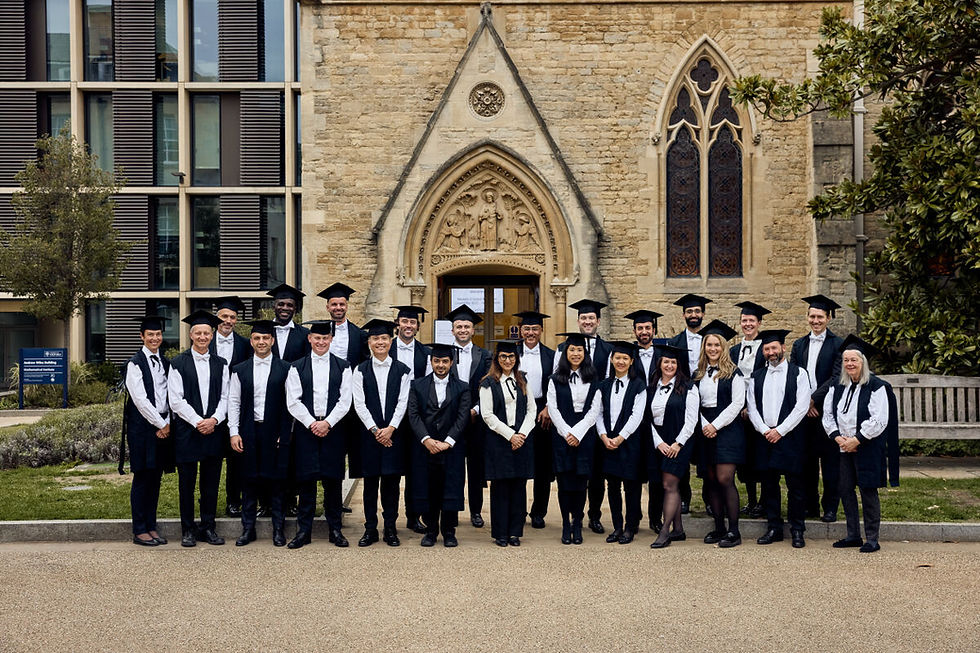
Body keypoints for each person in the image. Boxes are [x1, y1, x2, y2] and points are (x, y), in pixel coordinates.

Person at [822, 335, 900, 553]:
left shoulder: (877, 386)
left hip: (867, 446)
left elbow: (879, 419)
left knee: (867, 490)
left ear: (863, 362)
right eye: (846, 360)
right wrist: (838, 438)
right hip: (843, 446)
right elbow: (828, 415)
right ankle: (853, 535)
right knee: (845, 489)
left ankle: (872, 538)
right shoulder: (838, 387)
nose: (849, 364)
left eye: (853, 360)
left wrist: (857, 439)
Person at [285, 320, 353, 549]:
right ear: (310, 339)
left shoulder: (343, 366)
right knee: (306, 483)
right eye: (317, 338)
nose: (321, 342)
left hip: (334, 430)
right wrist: (312, 423)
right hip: (307, 430)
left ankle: (335, 529)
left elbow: (345, 401)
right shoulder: (297, 366)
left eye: (325, 338)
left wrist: (328, 423)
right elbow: (292, 401)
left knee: (333, 482)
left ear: (331, 339)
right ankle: (304, 531)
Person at [227, 320, 292, 547]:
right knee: (249, 480)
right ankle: (248, 529)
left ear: (272, 341)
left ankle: (278, 529)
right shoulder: (239, 369)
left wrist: (284, 433)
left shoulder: (286, 369)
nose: (261, 342)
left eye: (265, 338)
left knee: (277, 482)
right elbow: (233, 403)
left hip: (274, 431)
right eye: (257, 338)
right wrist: (234, 432)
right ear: (252, 341)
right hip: (248, 430)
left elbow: (290, 405)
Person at [168, 310, 229, 547]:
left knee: (211, 483)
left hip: (213, 430)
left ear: (212, 336)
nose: (203, 337)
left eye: (206, 333)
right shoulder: (177, 363)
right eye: (198, 333)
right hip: (188, 432)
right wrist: (198, 421)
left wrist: (213, 420)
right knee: (187, 484)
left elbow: (226, 396)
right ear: (191, 335)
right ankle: (188, 530)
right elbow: (176, 400)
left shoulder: (221, 364)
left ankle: (208, 527)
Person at [746, 329, 811, 548]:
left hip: (790, 436)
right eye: (766, 349)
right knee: (769, 485)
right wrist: (765, 430)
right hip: (765, 437)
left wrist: (780, 430)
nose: (771, 352)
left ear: (783, 348)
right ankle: (774, 527)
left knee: (796, 486)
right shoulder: (756, 377)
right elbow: (752, 408)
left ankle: (797, 529)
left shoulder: (799, 373)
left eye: (774, 348)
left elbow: (801, 406)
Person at [351, 319, 412, 547]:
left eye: (384, 338)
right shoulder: (360, 370)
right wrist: (376, 430)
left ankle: (390, 528)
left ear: (390, 341)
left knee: (391, 485)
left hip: (393, 436)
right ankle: (370, 529)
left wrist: (391, 429)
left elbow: (402, 402)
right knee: (369, 485)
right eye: (375, 338)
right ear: (369, 342)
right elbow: (359, 403)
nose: (380, 342)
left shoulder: (403, 371)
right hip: (369, 436)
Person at [407, 343, 471, 547]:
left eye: (445, 361)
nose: (441, 365)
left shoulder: (462, 387)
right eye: (437, 361)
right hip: (426, 447)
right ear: (431, 362)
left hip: (452, 447)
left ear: (451, 363)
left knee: (451, 487)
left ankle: (449, 531)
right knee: (429, 488)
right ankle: (431, 530)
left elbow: (463, 417)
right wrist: (426, 439)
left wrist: (448, 441)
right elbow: (414, 415)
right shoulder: (418, 385)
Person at [555, 298, 611, 534]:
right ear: (578, 321)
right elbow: (555, 387)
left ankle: (594, 515)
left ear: (598, 321)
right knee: (568, 473)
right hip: (567, 418)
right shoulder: (562, 350)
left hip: (595, 418)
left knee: (596, 473)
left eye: (591, 318)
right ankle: (570, 520)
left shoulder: (608, 350)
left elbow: (607, 384)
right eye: (583, 318)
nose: (587, 321)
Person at [791, 294, 845, 523]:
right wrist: (805, 403)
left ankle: (830, 507)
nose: (816, 320)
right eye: (812, 316)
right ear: (807, 317)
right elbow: (793, 376)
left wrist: (814, 400)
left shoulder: (838, 344)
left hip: (827, 411)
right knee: (807, 462)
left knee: (831, 463)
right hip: (805, 413)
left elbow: (836, 377)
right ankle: (809, 506)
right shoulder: (799, 344)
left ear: (828, 318)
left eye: (820, 317)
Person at [121, 315, 174, 547]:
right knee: (142, 477)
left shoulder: (164, 361)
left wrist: (168, 421)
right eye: (150, 335)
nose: (155, 338)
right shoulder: (134, 364)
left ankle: (151, 526)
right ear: (142, 336)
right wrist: (160, 424)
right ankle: (139, 529)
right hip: (144, 428)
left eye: (158, 334)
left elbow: (169, 394)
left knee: (155, 479)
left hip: (163, 424)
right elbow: (140, 400)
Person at [546, 333, 602, 545]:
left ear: (585, 353)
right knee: (564, 482)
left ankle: (577, 522)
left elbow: (594, 410)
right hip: (562, 435)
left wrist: (577, 433)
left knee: (581, 483)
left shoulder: (594, 379)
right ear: (565, 353)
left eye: (579, 350)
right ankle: (565, 523)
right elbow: (553, 408)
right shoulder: (554, 379)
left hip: (585, 436)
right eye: (572, 350)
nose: (576, 354)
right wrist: (566, 432)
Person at [694, 320, 746, 548]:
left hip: (728, 429)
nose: (712, 349)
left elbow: (737, 404)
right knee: (711, 481)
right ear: (704, 347)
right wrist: (706, 425)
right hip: (705, 429)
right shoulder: (699, 374)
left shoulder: (734, 373)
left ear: (723, 347)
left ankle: (734, 531)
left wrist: (716, 425)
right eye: (709, 345)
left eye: (716, 345)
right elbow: (695, 404)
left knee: (725, 479)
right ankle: (718, 528)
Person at [319, 282, 368, 518]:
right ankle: (330, 501)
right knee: (328, 452)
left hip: (349, 403)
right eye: (334, 304)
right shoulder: (318, 335)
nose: (338, 307)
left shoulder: (359, 335)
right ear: (328, 307)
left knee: (345, 452)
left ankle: (337, 501)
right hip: (322, 403)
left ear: (347, 306)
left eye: (342, 304)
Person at [480, 340, 536, 547]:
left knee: (519, 488)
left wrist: (520, 434)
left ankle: (515, 533)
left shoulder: (522, 380)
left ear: (516, 359)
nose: (508, 360)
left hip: (521, 441)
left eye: (511, 357)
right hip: (499, 442)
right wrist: (510, 435)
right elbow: (487, 415)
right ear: (497, 359)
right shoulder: (488, 383)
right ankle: (500, 533)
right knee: (500, 488)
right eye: (503, 357)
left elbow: (532, 409)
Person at [444, 304, 492, 528]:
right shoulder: (442, 355)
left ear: (474, 331)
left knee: (475, 468)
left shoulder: (485, 356)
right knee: (452, 467)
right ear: (452, 330)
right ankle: (451, 510)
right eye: (458, 326)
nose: (463, 330)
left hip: (475, 419)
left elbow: (489, 387)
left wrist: (477, 410)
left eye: (467, 326)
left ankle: (475, 511)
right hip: (450, 420)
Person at [648, 344, 700, 549]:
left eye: (673, 362)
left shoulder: (689, 388)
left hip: (680, 441)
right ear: (660, 363)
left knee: (670, 484)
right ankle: (678, 529)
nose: (669, 365)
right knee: (668, 485)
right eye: (666, 361)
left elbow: (691, 420)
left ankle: (665, 531)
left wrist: (678, 443)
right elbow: (647, 419)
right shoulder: (651, 387)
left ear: (679, 365)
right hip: (658, 441)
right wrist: (658, 442)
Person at [596, 341, 647, 544]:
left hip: (630, 442)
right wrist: (603, 436)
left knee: (631, 486)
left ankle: (630, 527)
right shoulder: (603, 385)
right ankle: (617, 526)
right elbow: (598, 413)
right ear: (611, 359)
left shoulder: (639, 386)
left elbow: (637, 415)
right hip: (607, 442)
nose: (621, 361)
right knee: (613, 486)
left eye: (625, 358)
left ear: (631, 361)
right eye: (617, 357)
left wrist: (620, 437)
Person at [389, 305, 433, 534]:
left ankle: (413, 516)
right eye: (404, 321)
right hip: (391, 418)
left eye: (412, 322)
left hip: (417, 418)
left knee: (417, 470)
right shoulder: (386, 349)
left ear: (418, 326)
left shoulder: (425, 353)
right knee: (393, 470)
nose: (408, 325)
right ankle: (390, 519)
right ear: (397, 324)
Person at [209, 296, 253, 519]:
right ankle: (208, 502)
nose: (228, 320)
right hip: (212, 410)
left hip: (237, 409)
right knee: (214, 458)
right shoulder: (205, 341)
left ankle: (234, 501)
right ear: (217, 318)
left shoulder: (245, 345)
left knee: (237, 458)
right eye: (224, 316)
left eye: (232, 317)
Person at [667, 294, 711, 515]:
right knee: (681, 450)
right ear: (683, 315)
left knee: (706, 455)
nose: (693, 315)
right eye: (689, 312)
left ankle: (709, 499)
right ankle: (684, 498)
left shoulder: (712, 341)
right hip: (681, 403)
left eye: (697, 312)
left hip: (709, 403)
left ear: (703, 314)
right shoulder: (674, 343)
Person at [624, 308, 664, 532]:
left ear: (654, 330)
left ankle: (655, 518)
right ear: (635, 331)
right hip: (633, 422)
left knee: (655, 474)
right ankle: (633, 518)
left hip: (658, 421)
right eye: (640, 328)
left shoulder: (664, 356)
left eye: (648, 328)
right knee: (633, 473)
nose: (644, 331)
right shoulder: (627, 355)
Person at [514, 310, 555, 529]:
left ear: (541, 330)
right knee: (519, 462)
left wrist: (548, 406)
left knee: (542, 465)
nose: (530, 333)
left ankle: (538, 512)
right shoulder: (511, 354)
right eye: (527, 329)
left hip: (542, 413)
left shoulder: (551, 355)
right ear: (521, 331)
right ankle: (518, 511)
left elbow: (557, 384)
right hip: (518, 411)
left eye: (534, 329)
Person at [730, 301, 770, 519]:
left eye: (751, 321)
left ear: (759, 323)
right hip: (737, 413)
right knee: (743, 460)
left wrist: (751, 406)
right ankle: (751, 500)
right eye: (744, 321)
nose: (747, 324)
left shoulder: (767, 349)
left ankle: (763, 501)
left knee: (759, 457)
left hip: (759, 411)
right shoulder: (734, 350)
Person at [267, 284, 311, 363]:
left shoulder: (304, 333)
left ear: (294, 309)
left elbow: (307, 362)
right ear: (273, 307)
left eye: (289, 305)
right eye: (281, 304)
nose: (285, 308)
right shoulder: (264, 331)